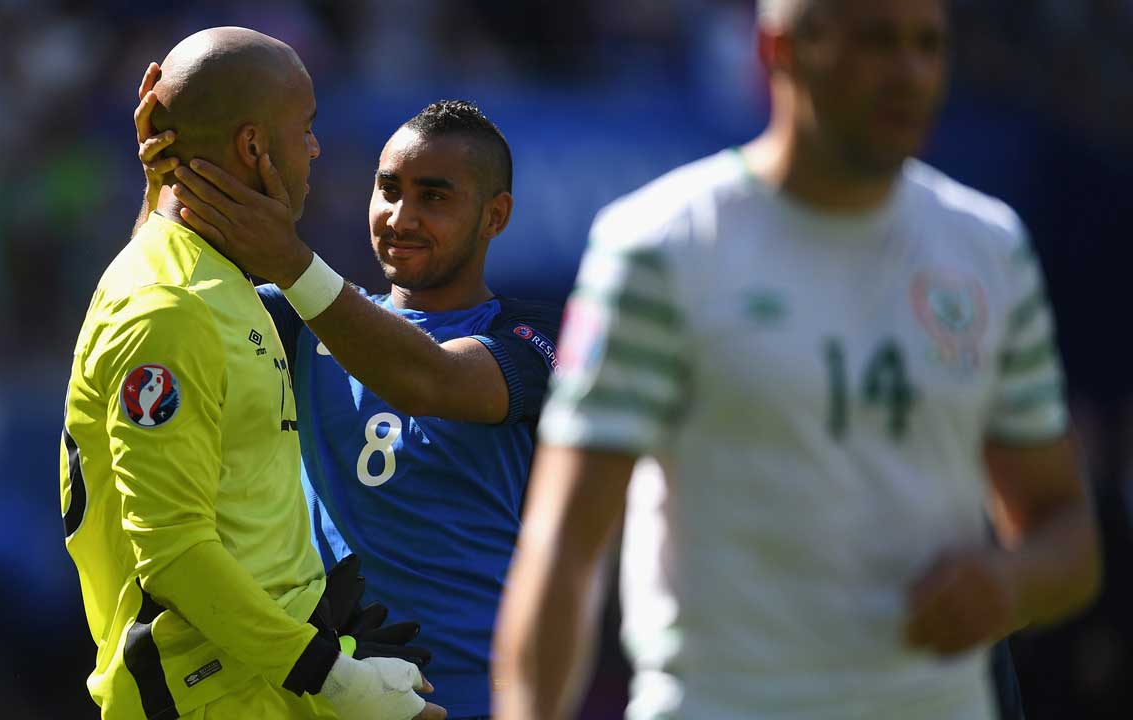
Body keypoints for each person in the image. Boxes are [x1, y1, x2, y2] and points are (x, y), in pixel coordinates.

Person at [491, 1, 1102, 718]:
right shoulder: (661, 247)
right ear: (779, 49)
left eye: (929, 45)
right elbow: (565, 547)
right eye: (877, 42)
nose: (910, 73)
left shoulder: (990, 251)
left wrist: (1010, 583)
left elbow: (1065, 531)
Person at [133, 93, 560, 719]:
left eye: (433, 197)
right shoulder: (298, 321)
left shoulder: (534, 338)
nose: (401, 216)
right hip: (336, 695)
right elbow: (163, 303)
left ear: (495, 215)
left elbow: (432, 380)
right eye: (388, 190)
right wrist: (167, 194)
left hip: (473, 696)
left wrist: (289, 260)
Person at [60, 27, 443, 720]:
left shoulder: (207, 274)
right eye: (307, 128)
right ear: (254, 148)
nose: (317, 148)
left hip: (265, 682)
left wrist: (337, 646)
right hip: (207, 697)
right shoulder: (170, 307)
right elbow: (174, 554)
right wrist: (332, 677)